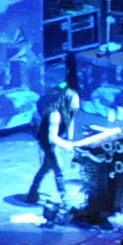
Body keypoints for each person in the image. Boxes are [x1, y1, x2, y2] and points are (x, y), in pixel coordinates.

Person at [23, 67, 82, 207]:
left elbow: (71, 123)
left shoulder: (70, 110)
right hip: (46, 139)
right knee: (58, 167)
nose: (77, 105)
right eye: (75, 102)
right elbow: (52, 138)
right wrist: (67, 146)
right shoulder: (55, 114)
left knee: (47, 166)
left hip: (56, 138)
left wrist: (71, 140)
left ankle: (32, 192)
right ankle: (65, 199)